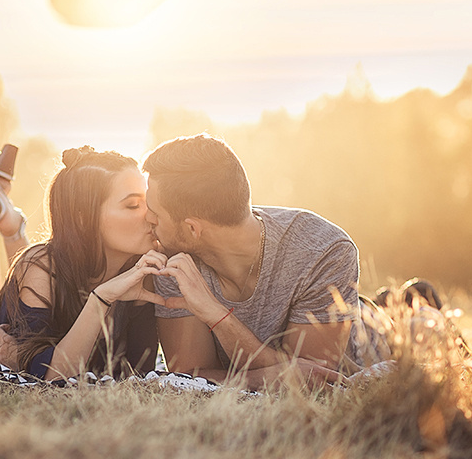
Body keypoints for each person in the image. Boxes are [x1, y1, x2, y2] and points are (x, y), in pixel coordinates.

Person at [143, 133, 398, 387]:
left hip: (368, 336)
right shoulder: (174, 260)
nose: (147, 219)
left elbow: (314, 381)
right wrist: (270, 375)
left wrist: (217, 315)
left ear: (192, 229)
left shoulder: (323, 251)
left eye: (154, 214)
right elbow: (189, 377)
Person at [0, 145, 166, 381]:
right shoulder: (41, 268)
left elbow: (136, 373)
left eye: (148, 201)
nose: (151, 215)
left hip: (35, 289)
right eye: (133, 205)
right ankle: (1, 219)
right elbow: (50, 377)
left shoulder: (143, 271)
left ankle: (7, 219)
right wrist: (102, 298)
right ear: (83, 218)